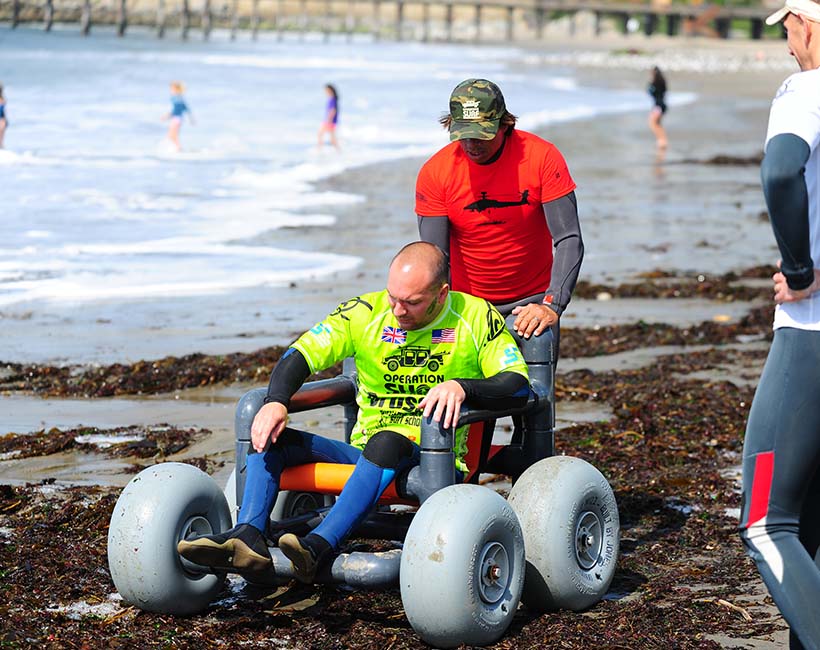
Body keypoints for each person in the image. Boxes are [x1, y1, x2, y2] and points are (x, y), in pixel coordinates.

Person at [178, 242, 530, 582]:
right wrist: (277, 401)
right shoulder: (364, 312)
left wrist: (462, 387)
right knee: (269, 433)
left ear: (442, 294)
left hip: (435, 456)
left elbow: (516, 383)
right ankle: (249, 536)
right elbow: (302, 353)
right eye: (393, 297)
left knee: (386, 441)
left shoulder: (474, 317)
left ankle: (317, 546)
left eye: (411, 302)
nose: (397, 310)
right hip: (365, 454)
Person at [739, 2, 820, 647]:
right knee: (813, 524)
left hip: (811, 339)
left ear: (810, 26)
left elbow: (779, 171)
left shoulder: (804, 90)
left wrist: (799, 268)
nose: (788, 44)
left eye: (788, 28)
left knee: (767, 523)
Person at [415, 78, 583, 352]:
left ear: (506, 125)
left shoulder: (542, 158)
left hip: (532, 303)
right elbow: (435, 258)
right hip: (465, 307)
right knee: (458, 393)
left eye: (482, 134)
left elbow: (568, 238)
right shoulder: (436, 172)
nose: (471, 144)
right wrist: (433, 316)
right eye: (463, 134)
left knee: (534, 391)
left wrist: (552, 305)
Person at [163, 81, 194, 152]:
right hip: (179, 118)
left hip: (176, 118)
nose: (170, 91)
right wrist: (191, 119)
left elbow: (176, 110)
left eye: (171, 89)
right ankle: (177, 148)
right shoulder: (180, 98)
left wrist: (167, 116)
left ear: (175, 90)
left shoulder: (175, 98)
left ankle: (178, 149)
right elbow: (186, 108)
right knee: (172, 135)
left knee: (172, 136)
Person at [647, 66, 668, 150]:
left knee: (653, 123)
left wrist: (650, 84)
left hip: (658, 106)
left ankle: (662, 140)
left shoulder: (655, 82)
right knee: (657, 123)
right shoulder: (663, 81)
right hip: (662, 105)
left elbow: (650, 92)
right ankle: (662, 140)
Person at [317, 83, 339, 150]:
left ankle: (319, 149)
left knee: (320, 134)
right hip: (331, 121)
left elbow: (333, 111)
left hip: (330, 121)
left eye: (326, 90)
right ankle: (338, 151)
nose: (325, 92)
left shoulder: (332, 100)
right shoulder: (332, 99)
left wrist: (329, 120)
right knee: (332, 138)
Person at [0, 84, 7, 149]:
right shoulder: (3, 99)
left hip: (2, 119)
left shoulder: (2, 99)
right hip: (3, 119)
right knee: (1, 136)